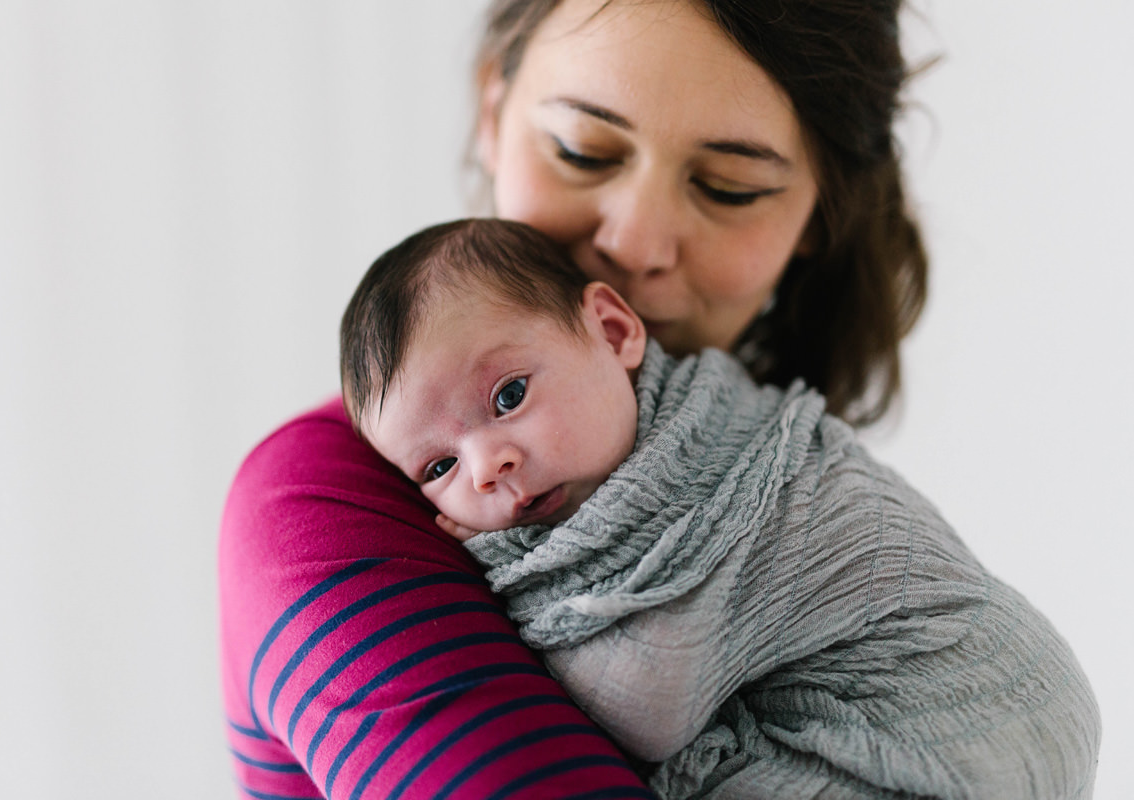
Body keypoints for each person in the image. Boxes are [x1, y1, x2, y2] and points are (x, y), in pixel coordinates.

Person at [217, 2, 1083, 798]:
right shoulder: (320, 499)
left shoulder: (780, 463)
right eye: (583, 151)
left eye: (729, 187)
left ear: (818, 215)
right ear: (492, 113)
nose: (633, 243)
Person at [341, 217, 1100, 799]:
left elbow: (646, 703)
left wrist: (499, 567)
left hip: (968, 703)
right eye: (438, 466)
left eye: (509, 396)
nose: (486, 466)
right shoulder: (609, 461)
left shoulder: (718, 457)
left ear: (613, 332)